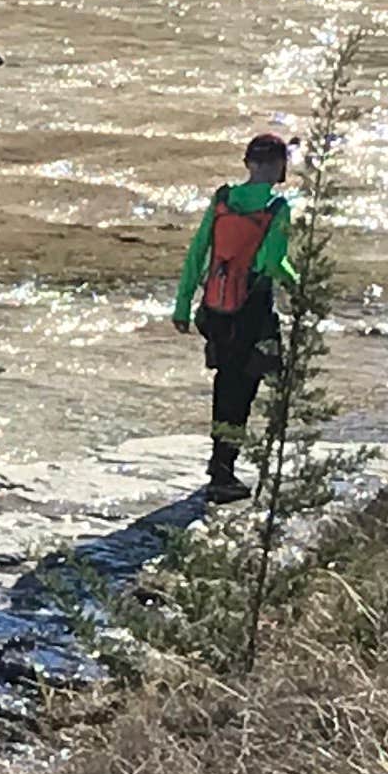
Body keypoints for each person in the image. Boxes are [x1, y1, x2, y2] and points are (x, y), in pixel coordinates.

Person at [170, 133, 298, 503]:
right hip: (252, 311)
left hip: (215, 309)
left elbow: (198, 252)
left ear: (247, 163)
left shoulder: (223, 199)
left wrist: (182, 304)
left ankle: (219, 465)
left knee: (225, 385)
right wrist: (300, 284)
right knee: (245, 389)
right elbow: (274, 263)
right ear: (280, 167)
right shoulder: (277, 208)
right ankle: (223, 472)